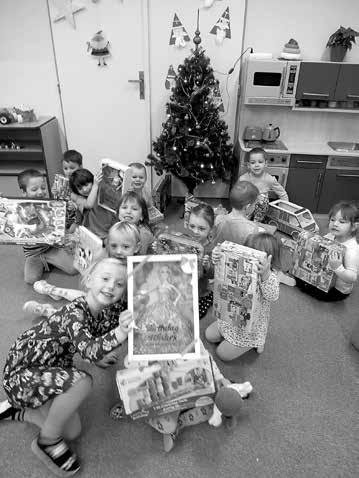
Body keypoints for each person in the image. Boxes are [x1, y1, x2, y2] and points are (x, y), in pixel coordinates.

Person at [0, 258, 133, 477]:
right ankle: (48, 441)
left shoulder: (108, 311)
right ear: (89, 280)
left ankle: (20, 411)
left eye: (119, 284)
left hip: (49, 372)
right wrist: (120, 332)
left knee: (73, 432)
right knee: (82, 382)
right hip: (22, 374)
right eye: (105, 278)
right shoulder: (74, 312)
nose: (111, 286)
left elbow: (104, 332)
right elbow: (90, 348)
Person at [24, 221, 141, 318]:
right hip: (101, 299)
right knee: (87, 301)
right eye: (114, 246)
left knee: (87, 315)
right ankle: (53, 292)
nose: (119, 251)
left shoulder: (138, 267)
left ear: (137, 248)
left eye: (125, 247)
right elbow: (89, 279)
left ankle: (51, 311)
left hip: (116, 307)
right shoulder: (106, 259)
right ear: (108, 244)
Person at [205, 232, 280, 361]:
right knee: (209, 335)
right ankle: (229, 337)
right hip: (230, 318)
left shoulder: (270, 276)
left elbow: (273, 296)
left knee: (222, 353)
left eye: (259, 258)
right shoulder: (240, 265)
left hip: (249, 329)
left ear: (270, 261)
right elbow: (222, 272)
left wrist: (265, 275)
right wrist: (218, 257)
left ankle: (255, 343)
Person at [17, 169, 77, 284]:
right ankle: (45, 261)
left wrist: (69, 211)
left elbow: (64, 223)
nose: (40, 192)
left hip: (52, 247)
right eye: (34, 189)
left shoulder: (51, 203)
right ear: (24, 192)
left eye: (43, 188)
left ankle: (50, 261)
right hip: (34, 253)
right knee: (30, 279)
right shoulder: (20, 208)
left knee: (73, 269)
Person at [296, 201, 359, 301]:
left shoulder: (352, 251)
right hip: (323, 276)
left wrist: (338, 267)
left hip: (337, 289)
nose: (335, 224)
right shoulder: (331, 236)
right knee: (299, 273)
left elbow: (352, 278)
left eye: (342, 222)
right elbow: (320, 247)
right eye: (332, 220)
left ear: (354, 227)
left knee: (311, 290)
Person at [133, 264, 193, 355]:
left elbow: (179, 294)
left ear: (168, 274)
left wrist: (174, 303)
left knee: (171, 324)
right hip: (159, 304)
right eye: (162, 272)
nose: (164, 274)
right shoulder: (159, 286)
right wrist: (142, 294)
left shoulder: (170, 286)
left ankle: (169, 344)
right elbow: (149, 291)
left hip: (168, 305)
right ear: (160, 274)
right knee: (155, 323)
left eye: (166, 272)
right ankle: (157, 343)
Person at [239, 148, 289, 222]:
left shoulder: (270, 179)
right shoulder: (243, 179)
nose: (257, 165)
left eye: (260, 162)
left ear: (266, 164)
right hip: (246, 209)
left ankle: (257, 222)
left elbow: (283, 194)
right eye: (253, 163)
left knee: (262, 198)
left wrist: (284, 210)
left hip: (261, 212)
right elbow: (237, 195)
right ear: (248, 165)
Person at [187, 203, 216, 319]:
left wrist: (207, 266)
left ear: (211, 229)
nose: (195, 231)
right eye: (192, 226)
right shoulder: (184, 240)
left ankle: (208, 298)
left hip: (200, 291)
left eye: (201, 228)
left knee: (193, 316)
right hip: (184, 286)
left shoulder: (211, 248)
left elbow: (213, 274)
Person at [70, 168, 117, 239]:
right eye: (80, 188)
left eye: (86, 185)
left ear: (92, 180)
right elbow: (89, 204)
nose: (85, 189)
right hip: (91, 232)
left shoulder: (99, 189)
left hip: (107, 230)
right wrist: (95, 185)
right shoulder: (79, 198)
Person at [212, 180, 261, 246]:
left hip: (217, 255)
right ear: (247, 206)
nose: (255, 206)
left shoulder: (219, 219)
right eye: (255, 204)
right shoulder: (252, 228)